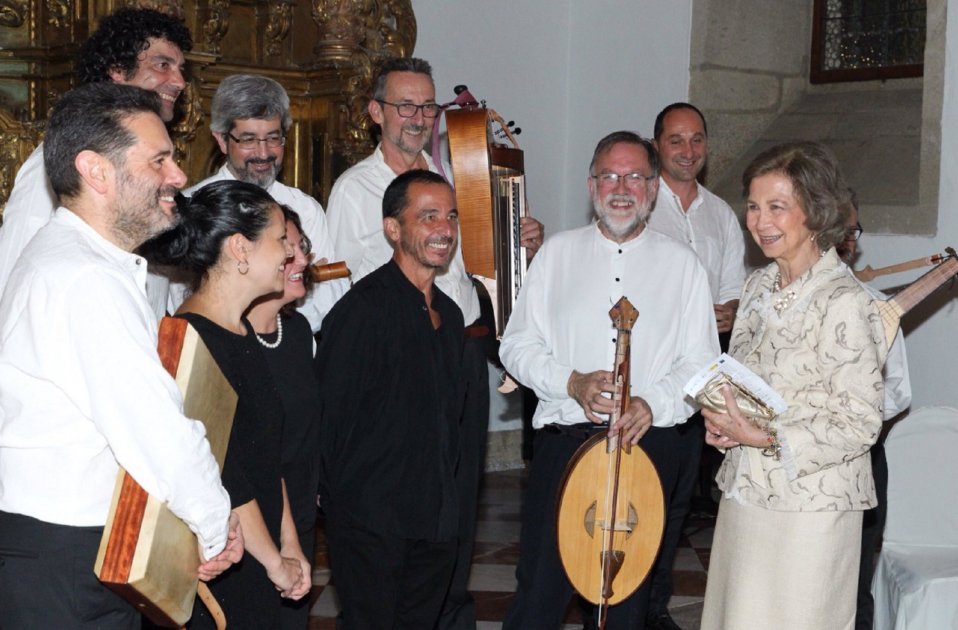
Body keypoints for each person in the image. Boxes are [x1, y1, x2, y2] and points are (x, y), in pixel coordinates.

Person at [0, 82, 242, 628]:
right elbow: (152, 427)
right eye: (159, 160)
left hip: (61, 551)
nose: (178, 177)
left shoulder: (74, 261)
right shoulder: (84, 277)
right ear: (96, 170)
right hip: (64, 560)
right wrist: (214, 523)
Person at [325, 56, 544, 629]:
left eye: (428, 105)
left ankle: (444, 610)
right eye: (406, 105)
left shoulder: (455, 177)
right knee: (392, 513)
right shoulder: (356, 190)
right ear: (377, 112)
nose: (419, 117)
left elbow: (474, 269)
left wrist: (514, 237)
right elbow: (358, 291)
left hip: (457, 341)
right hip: (395, 354)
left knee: (452, 507)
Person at [499, 131, 718, 629]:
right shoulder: (556, 254)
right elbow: (516, 345)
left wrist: (653, 402)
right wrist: (570, 382)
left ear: (655, 188)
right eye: (610, 176)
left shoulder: (684, 267)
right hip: (565, 446)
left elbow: (703, 362)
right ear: (590, 184)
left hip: (647, 448)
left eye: (636, 177)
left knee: (629, 603)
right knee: (540, 592)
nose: (622, 187)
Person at [700, 143, 887, 629]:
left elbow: (860, 421)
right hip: (746, 496)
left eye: (777, 207)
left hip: (813, 507)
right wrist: (722, 420)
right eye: (754, 206)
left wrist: (764, 437)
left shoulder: (846, 301)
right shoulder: (758, 285)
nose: (760, 221)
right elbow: (738, 377)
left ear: (816, 212)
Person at [141, 180, 311, 628]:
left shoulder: (242, 332)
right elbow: (223, 475)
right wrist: (275, 561)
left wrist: (290, 545)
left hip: (261, 555)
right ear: (240, 248)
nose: (289, 256)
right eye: (279, 241)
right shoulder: (190, 339)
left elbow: (265, 456)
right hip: (225, 561)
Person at [315, 169, 466, 629]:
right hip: (372, 525)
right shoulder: (360, 311)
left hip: (435, 520)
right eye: (428, 216)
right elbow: (329, 420)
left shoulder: (452, 314)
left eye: (450, 216)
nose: (444, 229)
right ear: (393, 229)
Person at [0, 7, 191, 317]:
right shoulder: (57, 161)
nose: (179, 81)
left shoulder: (153, 162)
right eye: (162, 65)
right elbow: (13, 278)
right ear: (117, 70)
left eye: (181, 69)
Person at [644, 102, 746, 630]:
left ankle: (655, 608)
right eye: (677, 140)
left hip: (699, 375)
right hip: (649, 373)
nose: (688, 151)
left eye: (697, 140)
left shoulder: (721, 213)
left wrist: (727, 310)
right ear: (657, 143)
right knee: (638, 499)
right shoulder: (639, 201)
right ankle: (619, 604)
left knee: (678, 501)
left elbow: (732, 290)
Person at [176, 74, 346, 332]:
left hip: (294, 346)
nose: (264, 153)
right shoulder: (192, 208)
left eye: (273, 138)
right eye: (249, 140)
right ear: (222, 140)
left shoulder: (305, 208)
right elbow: (181, 300)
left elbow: (331, 296)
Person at [246, 205, 322, 629]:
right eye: (286, 248)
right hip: (248, 518)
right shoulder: (227, 338)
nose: (302, 261)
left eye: (302, 247)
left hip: (299, 511)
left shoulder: (296, 332)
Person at [838, 190, 912, 630]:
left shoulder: (877, 305)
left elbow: (899, 390)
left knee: (855, 584)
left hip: (864, 460)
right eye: (840, 229)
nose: (848, 239)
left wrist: (852, 412)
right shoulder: (775, 295)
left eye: (854, 230)